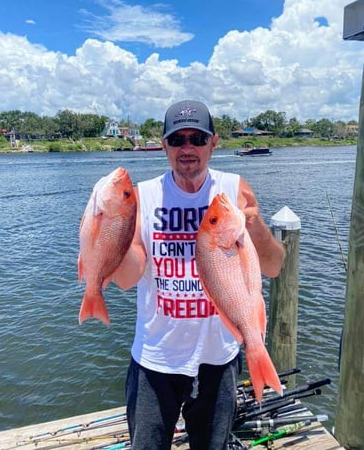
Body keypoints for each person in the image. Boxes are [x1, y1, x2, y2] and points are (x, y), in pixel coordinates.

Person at [113, 100, 285, 450]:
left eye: (197, 138)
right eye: (177, 140)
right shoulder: (144, 196)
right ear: (164, 145)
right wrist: (111, 235)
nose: (187, 148)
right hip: (155, 357)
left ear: (214, 143)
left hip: (218, 357)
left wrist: (254, 225)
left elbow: (273, 266)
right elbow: (127, 279)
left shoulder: (234, 188)